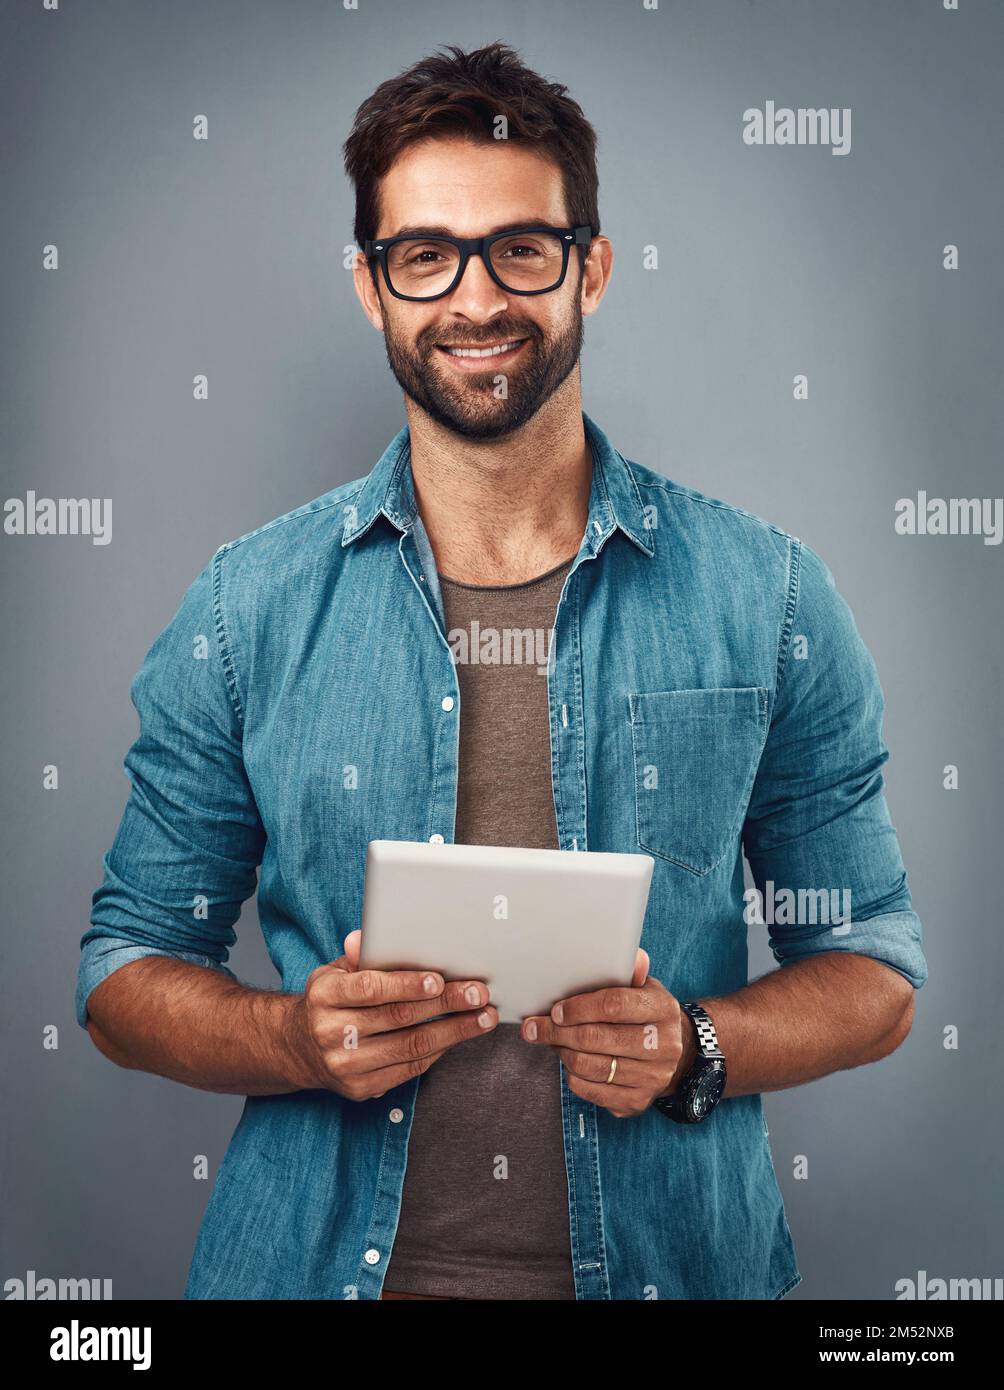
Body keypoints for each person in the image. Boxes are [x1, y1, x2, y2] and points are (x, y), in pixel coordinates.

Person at [77, 41, 928, 1301]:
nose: (474, 298)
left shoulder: (769, 594)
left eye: (518, 249)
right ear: (371, 286)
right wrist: (293, 1039)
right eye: (423, 254)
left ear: (588, 265)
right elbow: (121, 971)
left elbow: (876, 965)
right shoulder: (244, 606)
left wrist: (700, 1043)